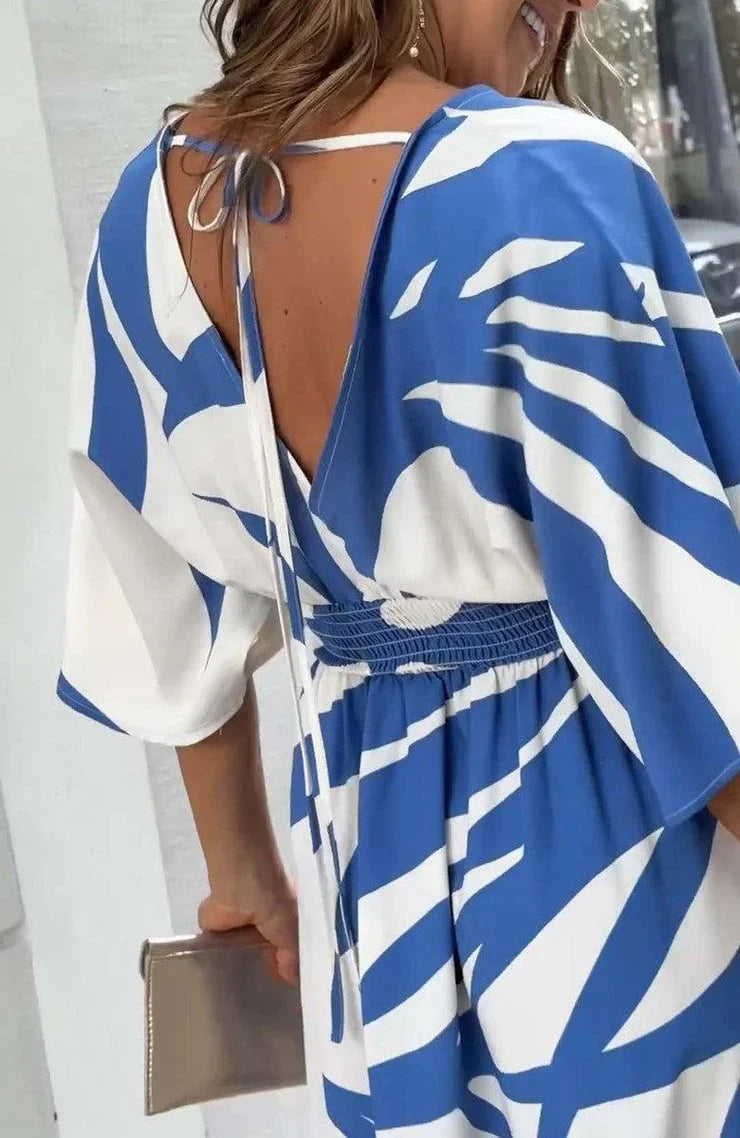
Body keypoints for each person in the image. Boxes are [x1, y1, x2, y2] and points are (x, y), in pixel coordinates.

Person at [57, 0, 740, 1133]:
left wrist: (244, 876)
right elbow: (688, 638)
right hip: (618, 880)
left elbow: (158, 594)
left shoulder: (155, 204)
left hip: (368, 883)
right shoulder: (545, 176)